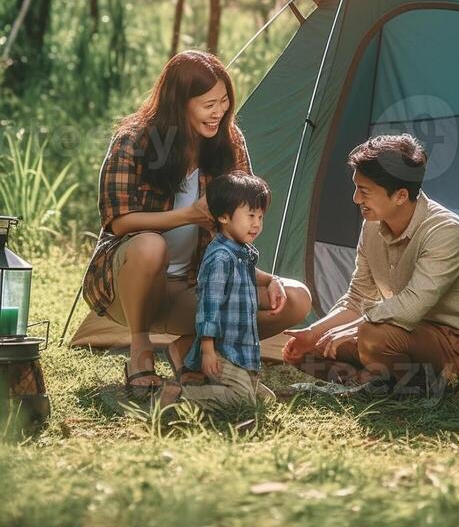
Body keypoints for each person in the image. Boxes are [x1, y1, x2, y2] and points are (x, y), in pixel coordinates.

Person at [82, 50, 311, 393]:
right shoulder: (135, 140)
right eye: (208, 104)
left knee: (295, 297)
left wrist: (270, 278)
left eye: (224, 101)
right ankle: (140, 347)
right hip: (130, 286)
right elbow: (118, 222)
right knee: (149, 244)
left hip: (196, 286)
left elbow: (238, 232)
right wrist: (188, 215)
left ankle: (188, 347)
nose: (219, 112)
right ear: (179, 103)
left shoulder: (229, 142)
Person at [283, 134, 459, 398]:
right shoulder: (371, 225)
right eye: (356, 188)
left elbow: (411, 307)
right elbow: (358, 297)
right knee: (306, 349)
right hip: (397, 332)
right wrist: (314, 332)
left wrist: (353, 331)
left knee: (372, 336)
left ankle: (437, 384)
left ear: (401, 195)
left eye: (365, 191)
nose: (356, 199)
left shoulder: (446, 232)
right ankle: (381, 385)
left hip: (453, 346)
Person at [159, 172, 276, 411]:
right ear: (223, 216)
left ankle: (201, 387)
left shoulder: (242, 252)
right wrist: (208, 350)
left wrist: (272, 281)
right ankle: (182, 396)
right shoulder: (220, 258)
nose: (257, 224)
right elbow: (209, 308)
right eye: (251, 216)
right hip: (223, 351)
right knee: (243, 402)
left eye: (261, 217)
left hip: (241, 351)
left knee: (265, 401)